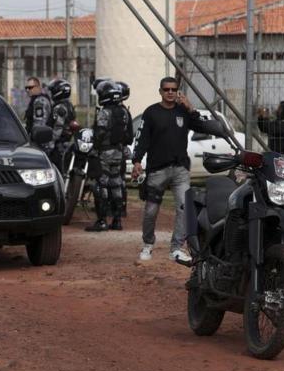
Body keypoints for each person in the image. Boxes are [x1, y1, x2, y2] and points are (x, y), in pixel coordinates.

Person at [131, 77, 204, 262]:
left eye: (173, 89)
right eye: (166, 89)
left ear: (177, 91)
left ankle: (177, 248)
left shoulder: (183, 111)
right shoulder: (151, 112)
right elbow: (141, 138)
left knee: (184, 208)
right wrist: (137, 161)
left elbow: (201, 125)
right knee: (151, 211)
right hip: (157, 170)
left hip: (180, 170)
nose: (170, 92)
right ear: (160, 91)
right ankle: (148, 244)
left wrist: (190, 108)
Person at [86, 80, 133, 232]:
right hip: (118, 153)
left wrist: (94, 148)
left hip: (104, 153)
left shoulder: (104, 112)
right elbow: (128, 134)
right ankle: (117, 221)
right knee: (116, 183)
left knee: (101, 184)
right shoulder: (124, 112)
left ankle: (101, 221)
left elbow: (100, 133)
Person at [47, 79, 76, 172]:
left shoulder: (59, 107)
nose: (51, 94)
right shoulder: (69, 105)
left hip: (58, 146)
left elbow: (57, 129)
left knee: (57, 171)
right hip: (66, 143)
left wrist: (48, 147)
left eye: (52, 91)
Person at [24, 77, 53, 151]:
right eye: (26, 88)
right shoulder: (36, 100)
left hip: (41, 145)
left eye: (30, 87)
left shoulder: (39, 101)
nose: (27, 90)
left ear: (38, 87)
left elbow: (39, 126)